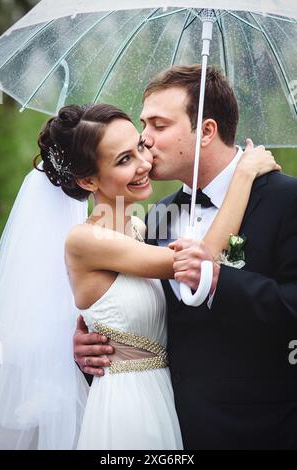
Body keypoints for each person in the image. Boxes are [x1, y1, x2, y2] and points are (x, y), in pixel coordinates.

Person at [74, 65, 297, 450]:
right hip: (160, 427)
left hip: (258, 430)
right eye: (144, 124)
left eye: (158, 125)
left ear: (206, 131)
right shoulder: (153, 218)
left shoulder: (285, 199)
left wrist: (220, 281)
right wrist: (99, 346)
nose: (144, 139)